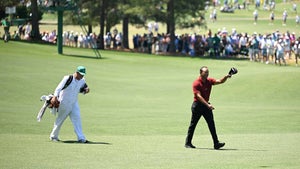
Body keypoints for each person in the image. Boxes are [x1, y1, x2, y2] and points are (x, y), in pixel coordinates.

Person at [185, 66, 231, 149]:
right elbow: (198, 96)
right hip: (197, 106)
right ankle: (188, 143)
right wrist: (208, 105)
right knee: (193, 124)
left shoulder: (209, 81)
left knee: (211, 124)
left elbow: (220, 81)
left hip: (206, 106)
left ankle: (216, 143)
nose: (207, 73)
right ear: (201, 73)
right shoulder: (196, 83)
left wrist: (227, 76)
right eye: (205, 72)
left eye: (207, 72)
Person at [49, 66, 90, 143]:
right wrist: (54, 97)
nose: (82, 76)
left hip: (74, 103)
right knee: (60, 120)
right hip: (64, 102)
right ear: (77, 72)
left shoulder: (82, 80)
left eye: (83, 75)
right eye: (81, 74)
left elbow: (83, 88)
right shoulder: (68, 78)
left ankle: (81, 138)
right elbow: (59, 88)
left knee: (77, 119)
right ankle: (53, 136)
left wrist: (86, 90)